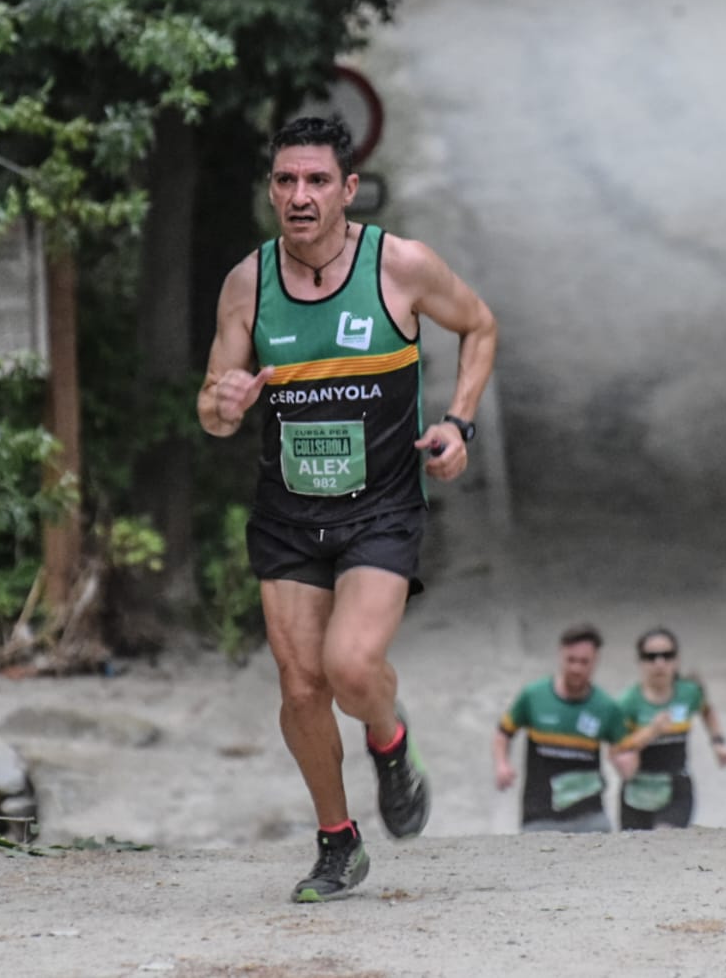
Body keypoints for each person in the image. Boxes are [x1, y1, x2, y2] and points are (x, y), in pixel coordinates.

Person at [198, 115, 498, 902]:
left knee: (350, 665)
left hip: (382, 507)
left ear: (348, 189)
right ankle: (339, 841)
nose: (301, 196)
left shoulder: (399, 266)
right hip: (289, 512)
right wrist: (223, 400)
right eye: (287, 181)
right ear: (272, 190)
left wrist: (459, 423)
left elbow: (480, 326)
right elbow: (214, 407)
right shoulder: (247, 283)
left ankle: (390, 739)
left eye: (317, 181)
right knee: (300, 689)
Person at [494, 625, 637, 833]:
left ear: (595, 661)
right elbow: (503, 733)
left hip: (590, 818)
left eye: (584, 662)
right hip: (539, 817)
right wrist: (502, 764)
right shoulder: (534, 696)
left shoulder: (606, 707)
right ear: (561, 656)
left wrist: (623, 761)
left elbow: (628, 761)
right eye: (571, 660)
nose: (576, 668)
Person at [614, 628, 726, 831]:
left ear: (676, 660)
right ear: (640, 662)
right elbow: (618, 747)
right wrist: (651, 732)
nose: (659, 663)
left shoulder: (689, 693)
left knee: (665, 838)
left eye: (666, 656)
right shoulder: (628, 703)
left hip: (676, 786)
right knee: (635, 849)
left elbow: (707, 711)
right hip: (637, 790)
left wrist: (718, 743)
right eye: (651, 657)